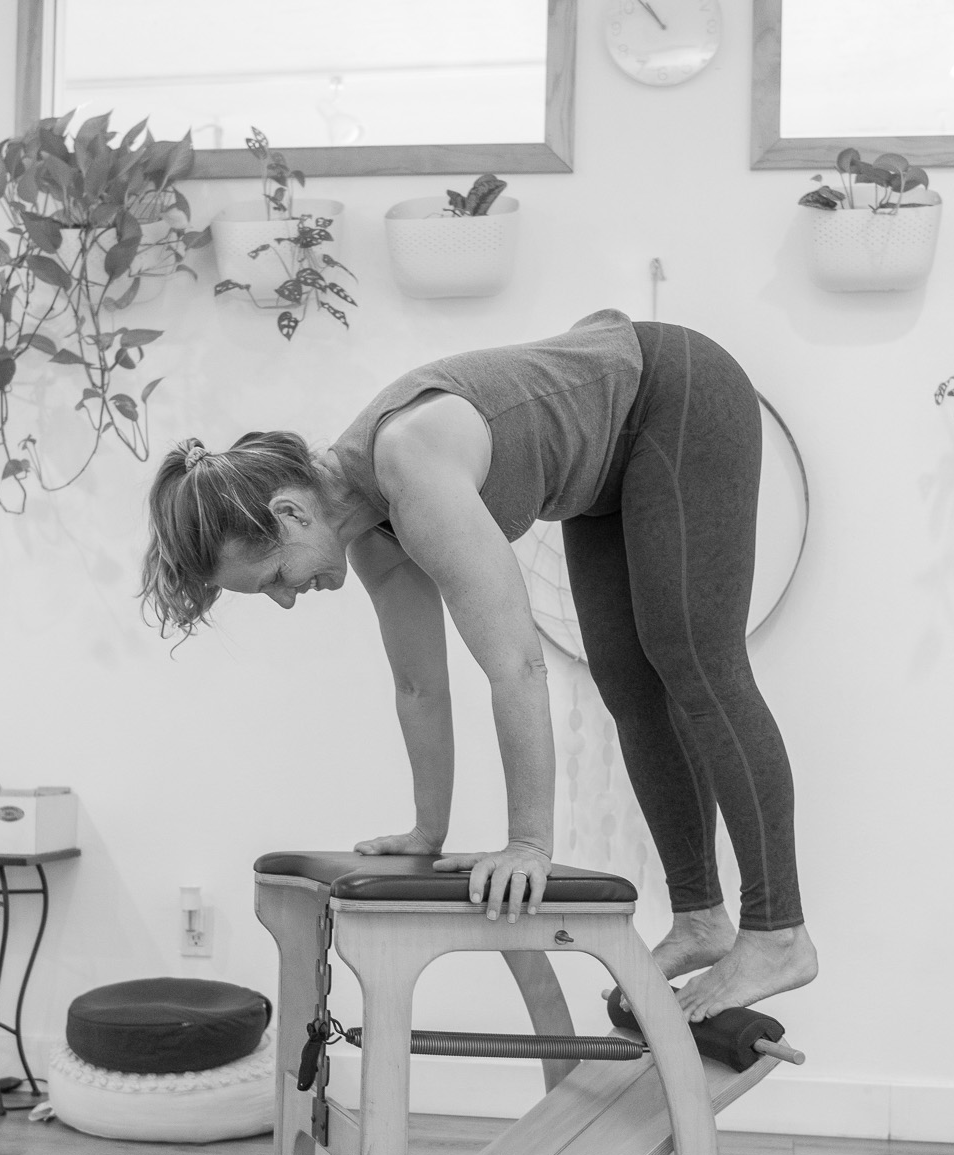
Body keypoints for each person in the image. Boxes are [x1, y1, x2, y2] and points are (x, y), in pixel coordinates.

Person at [138, 310, 815, 1020]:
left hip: (673, 395)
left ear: (290, 513)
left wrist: (529, 845)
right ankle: (702, 916)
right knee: (627, 681)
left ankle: (778, 933)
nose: (283, 599)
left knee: (695, 659)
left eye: (273, 574)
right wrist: (427, 830)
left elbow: (517, 663)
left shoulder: (409, 464)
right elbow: (418, 684)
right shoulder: (371, 528)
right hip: (604, 473)